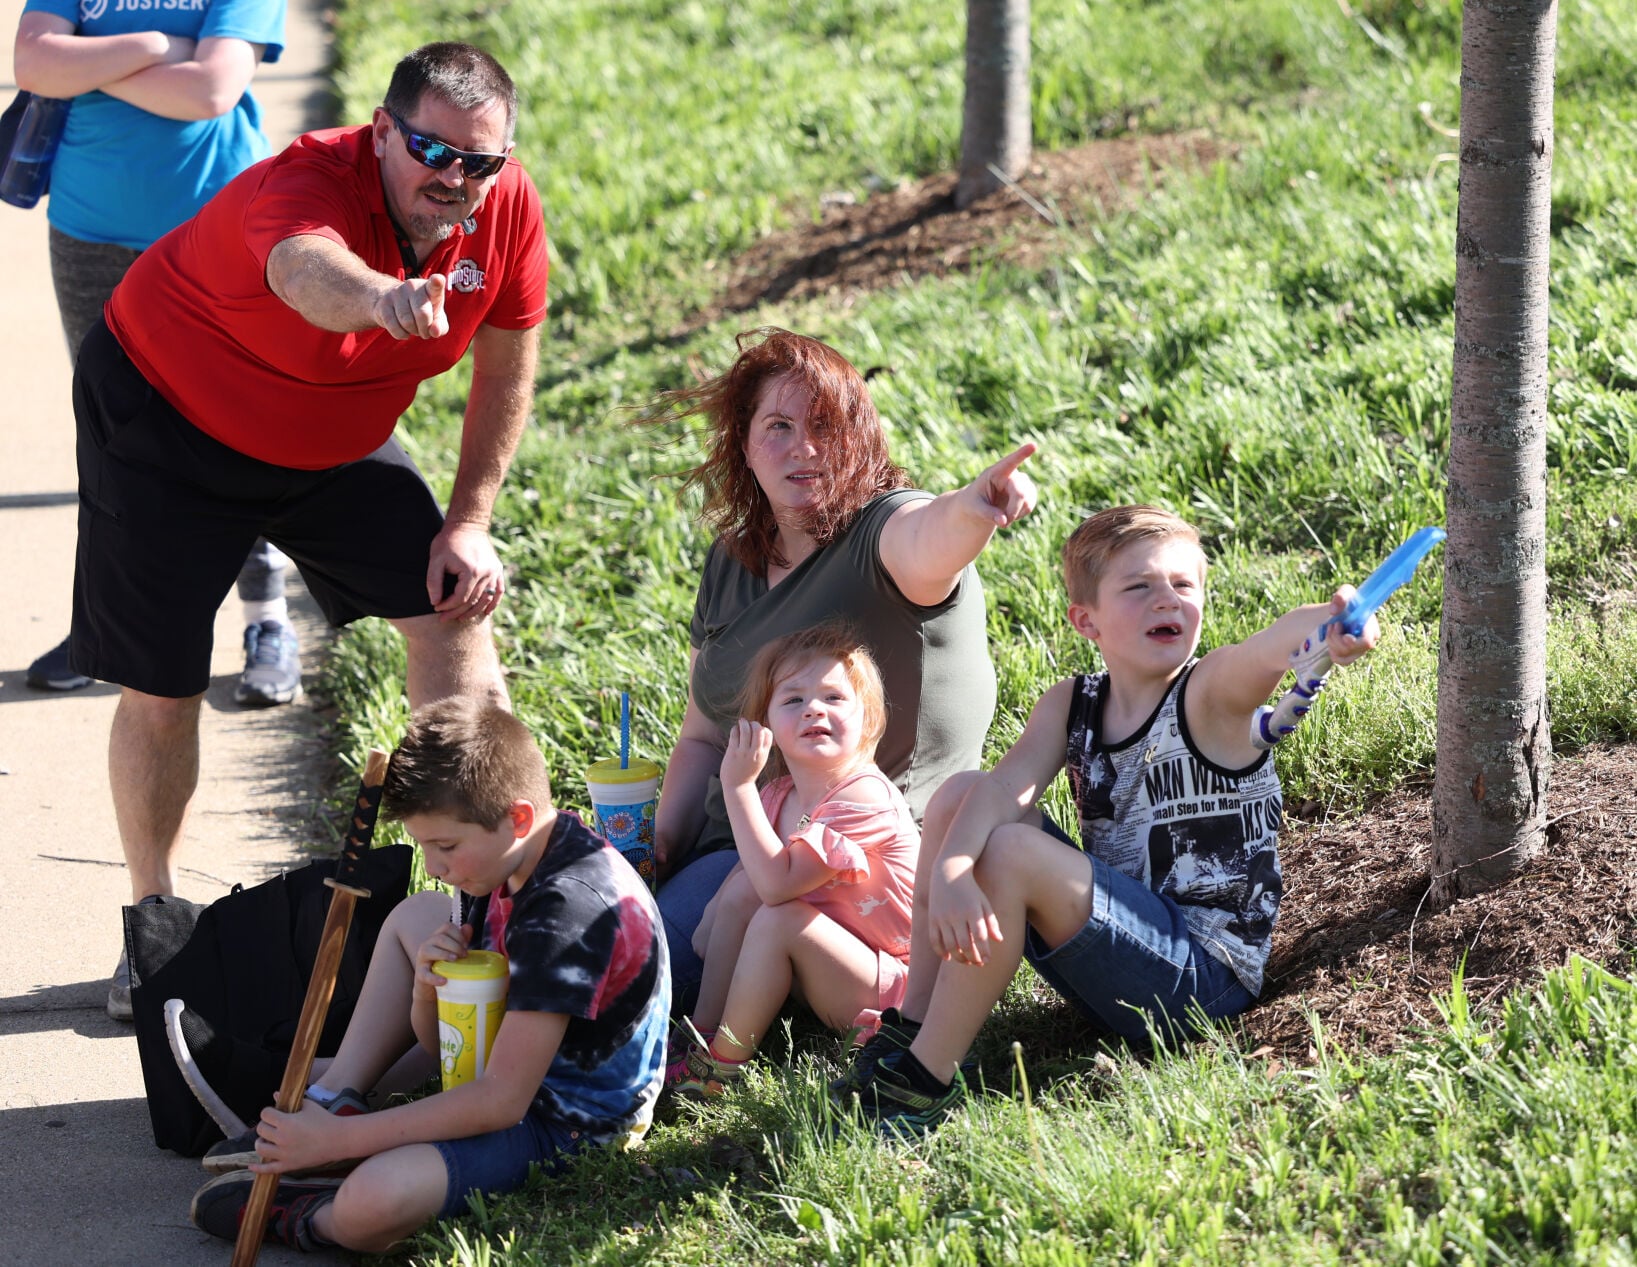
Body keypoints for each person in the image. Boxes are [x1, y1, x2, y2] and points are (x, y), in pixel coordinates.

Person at [73, 41, 550, 1020]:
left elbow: (508, 360)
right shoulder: (303, 186)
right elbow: (303, 271)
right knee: (163, 683)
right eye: (430, 150)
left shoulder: (503, 210)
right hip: (168, 418)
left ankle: (481, 883)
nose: (454, 178)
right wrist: (387, 300)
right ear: (382, 132)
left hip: (332, 441)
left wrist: (468, 522)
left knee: (453, 611)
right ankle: (152, 915)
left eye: (478, 160)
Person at [839, 505, 1382, 1133]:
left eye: (1184, 585)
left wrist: (1332, 622)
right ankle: (909, 1025)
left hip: (1202, 983)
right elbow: (1004, 787)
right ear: (1085, 621)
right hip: (1119, 948)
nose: (1166, 601)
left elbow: (1267, 650)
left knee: (1011, 851)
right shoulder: (1073, 703)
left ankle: (921, 1086)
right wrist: (954, 871)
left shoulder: (1209, 695)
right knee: (963, 793)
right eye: (1139, 586)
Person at [647, 327, 1037, 1013]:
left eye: (826, 426)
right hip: (738, 842)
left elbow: (930, 536)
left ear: (859, 437)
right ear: (744, 442)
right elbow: (704, 736)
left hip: (850, 868)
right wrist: (656, 851)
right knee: (588, 937)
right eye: (779, 426)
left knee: (620, 981)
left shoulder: (881, 532)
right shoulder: (731, 561)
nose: (803, 448)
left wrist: (973, 509)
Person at [189, 698, 669, 1255]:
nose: (436, 866)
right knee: (418, 913)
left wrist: (338, 1143)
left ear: (515, 817)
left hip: (564, 1127)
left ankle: (309, 1211)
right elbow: (439, 1044)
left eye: (445, 846)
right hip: (507, 1067)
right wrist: (426, 986)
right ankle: (339, 1099)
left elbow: (499, 1102)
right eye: (426, 846)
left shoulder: (564, 913)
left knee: (377, 1197)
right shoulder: (508, 859)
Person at [14, 0, 302, 704]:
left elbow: (210, 91)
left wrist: (85, 64)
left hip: (213, 235)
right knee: (114, 433)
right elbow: (31, 64)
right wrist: (154, 44)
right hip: (86, 232)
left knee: (233, 429)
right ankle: (108, 629)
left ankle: (266, 618)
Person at [666, 625, 919, 1096]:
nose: (814, 709)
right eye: (793, 700)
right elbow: (745, 885)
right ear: (766, 727)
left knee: (778, 919)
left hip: (894, 992)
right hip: (832, 963)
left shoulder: (864, 796)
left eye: (833, 697)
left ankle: (717, 1070)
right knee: (743, 895)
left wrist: (736, 786)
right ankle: (698, 1036)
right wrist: (716, 921)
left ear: (868, 719)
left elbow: (777, 887)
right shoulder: (778, 796)